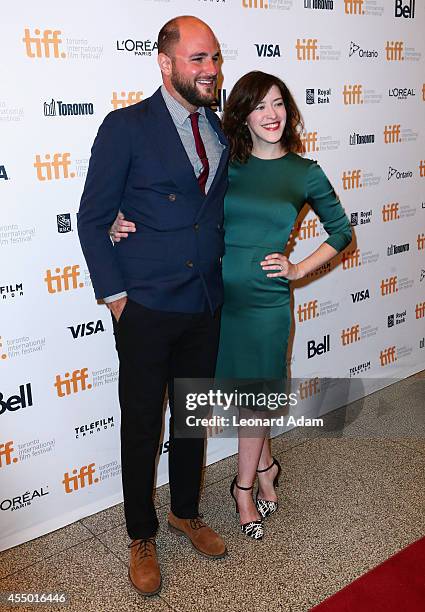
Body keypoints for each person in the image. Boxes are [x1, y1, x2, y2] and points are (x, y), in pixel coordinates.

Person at [112, 70, 352, 541]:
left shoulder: (304, 172)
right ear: (240, 115)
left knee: (255, 402)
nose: (272, 115)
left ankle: (242, 489)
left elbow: (341, 231)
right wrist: (122, 218)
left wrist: (299, 269)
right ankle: (267, 468)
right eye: (260, 106)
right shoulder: (224, 163)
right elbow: (176, 205)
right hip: (212, 303)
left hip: (264, 306)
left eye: (279, 103)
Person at [77, 16, 228, 597]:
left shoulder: (219, 128)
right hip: (145, 306)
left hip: (204, 303)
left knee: (192, 415)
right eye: (197, 59)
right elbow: (92, 219)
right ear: (165, 64)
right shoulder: (126, 127)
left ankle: (185, 511)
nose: (210, 69)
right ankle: (141, 533)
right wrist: (117, 299)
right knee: (143, 424)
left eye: (213, 57)